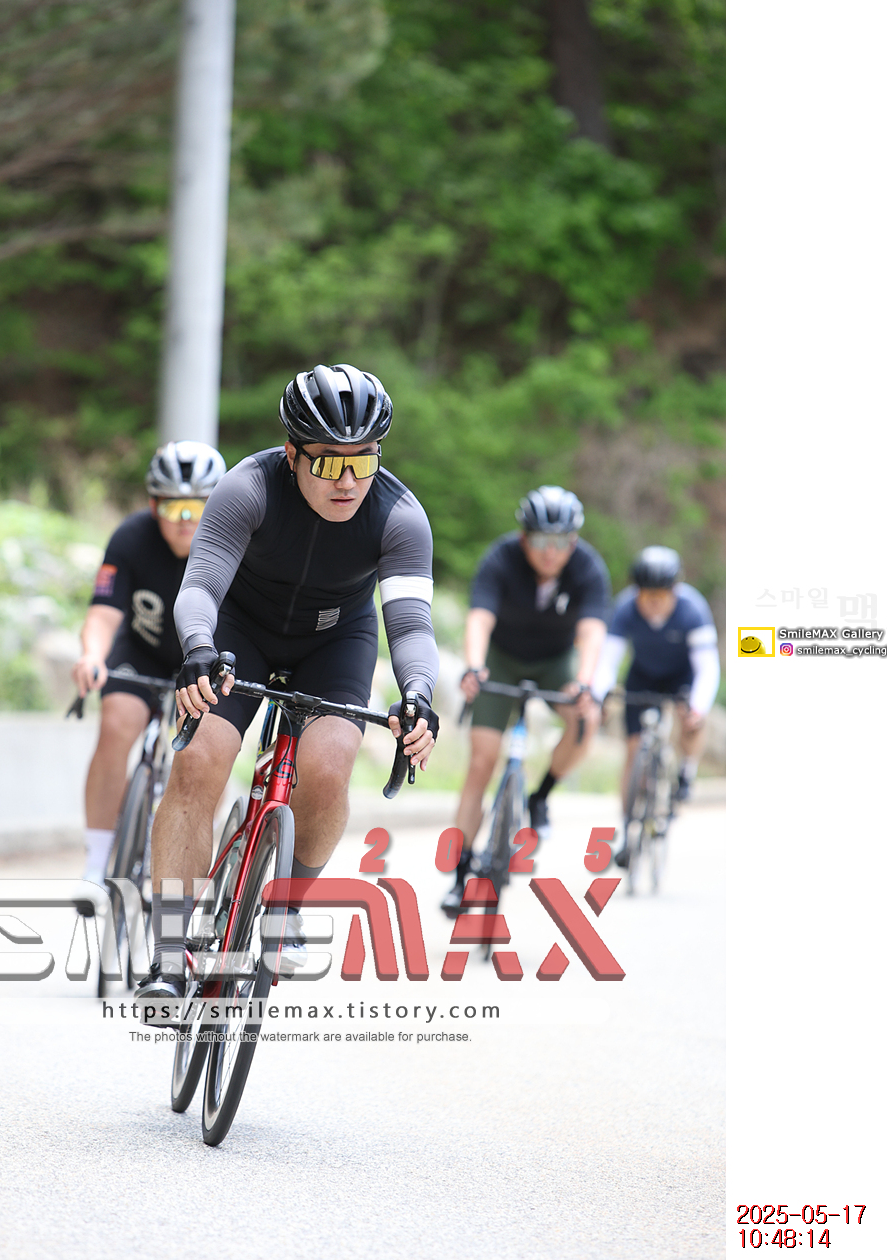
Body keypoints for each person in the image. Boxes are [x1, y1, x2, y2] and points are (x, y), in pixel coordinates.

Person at [135, 363, 441, 999]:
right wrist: (198, 649)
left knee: (328, 768)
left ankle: (288, 906)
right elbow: (201, 587)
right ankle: (167, 952)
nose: (348, 481)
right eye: (328, 462)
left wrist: (418, 694)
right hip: (238, 631)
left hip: (336, 639)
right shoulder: (248, 486)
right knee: (198, 762)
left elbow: (411, 627)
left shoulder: (400, 516)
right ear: (292, 453)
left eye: (363, 461)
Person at [444, 485, 610, 914]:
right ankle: (460, 873)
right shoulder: (500, 559)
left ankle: (541, 795)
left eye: (560, 542)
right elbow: (479, 618)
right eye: (539, 541)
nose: (550, 553)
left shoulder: (588, 568)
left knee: (585, 720)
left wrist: (584, 683)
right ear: (523, 538)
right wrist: (474, 666)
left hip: (556, 661)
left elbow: (592, 632)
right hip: (501, 660)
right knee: (481, 762)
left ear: (573, 540)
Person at [71, 441, 226, 886]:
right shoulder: (131, 537)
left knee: (206, 753)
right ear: (154, 505)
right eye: (173, 507)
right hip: (141, 652)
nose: (185, 519)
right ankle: (97, 863)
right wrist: (92, 654)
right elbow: (103, 614)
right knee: (116, 723)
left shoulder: (235, 542)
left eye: (199, 506)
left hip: (203, 660)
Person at [590, 545, 720, 865]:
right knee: (633, 750)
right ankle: (627, 828)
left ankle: (686, 771)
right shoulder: (625, 608)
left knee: (692, 719)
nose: (653, 603)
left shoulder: (693, 610)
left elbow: (707, 667)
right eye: (647, 595)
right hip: (643, 676)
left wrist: (698, 707)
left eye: (660, 596)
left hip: (682, 676)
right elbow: (608, 660)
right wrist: (600, 694)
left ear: (674, 591)